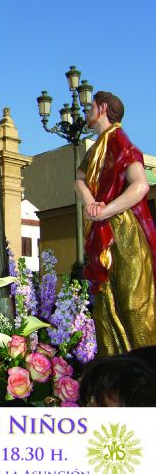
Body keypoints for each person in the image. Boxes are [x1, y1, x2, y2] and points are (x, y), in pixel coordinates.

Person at [75, 91, 156, 356]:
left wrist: (104, 210)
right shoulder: (96, 147)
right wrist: (92, 204)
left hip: (124, 231)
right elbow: (79, 180)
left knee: (132, 302)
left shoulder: (119, 139)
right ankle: (114, 369)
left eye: (90, 106)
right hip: (103, 230)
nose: (86, 110)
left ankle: (145, 368)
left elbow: (140, 185)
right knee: (106, 306)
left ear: (103, 109)